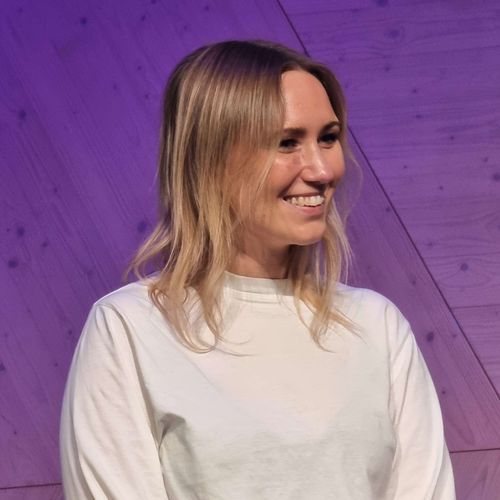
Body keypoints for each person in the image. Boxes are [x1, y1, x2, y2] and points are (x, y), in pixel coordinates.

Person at [60, 40, 456, 499]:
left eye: (328, 138)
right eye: (287, 142)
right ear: (210, 159)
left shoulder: (377, 325)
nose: (322, 169)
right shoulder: (130, 328)